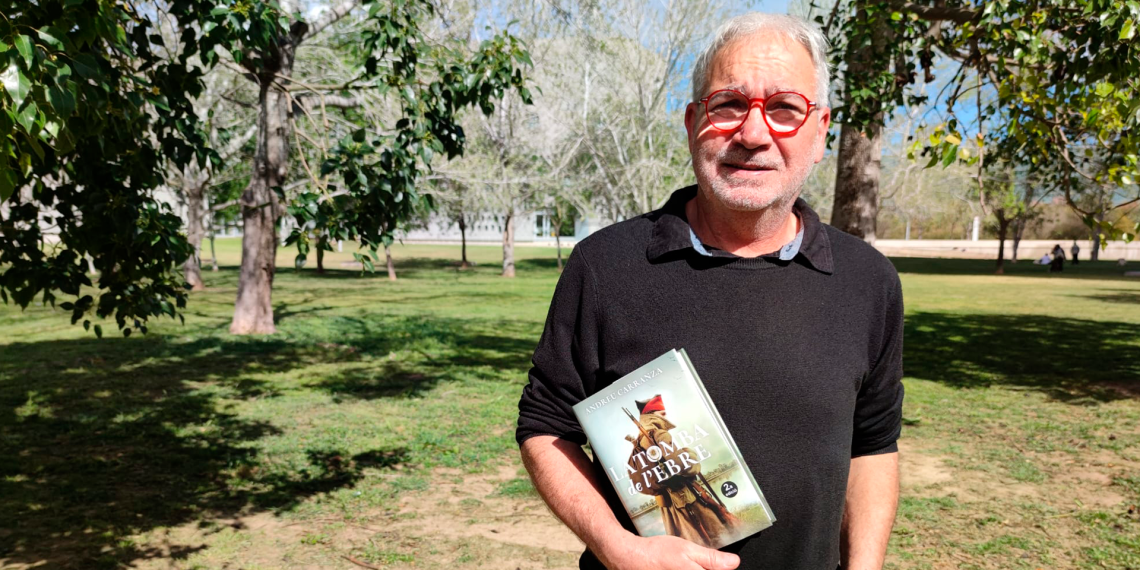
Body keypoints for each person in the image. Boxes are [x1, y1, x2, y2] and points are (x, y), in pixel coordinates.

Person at [517, 12, 903, 570]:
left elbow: (872, 445)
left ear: (822, 132)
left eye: (784, 109)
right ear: (693, 120)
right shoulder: (604, 266)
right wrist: (617, 546)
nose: (752, 133)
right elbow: (544, 428)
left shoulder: (869, 281)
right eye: (728, 105)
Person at [625, 395, 738, 545]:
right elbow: (685, 465)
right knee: (720, 540)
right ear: (651, 415)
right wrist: (690, 453)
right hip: (689, 499)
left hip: (669, 508)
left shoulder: (638, 443)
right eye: (663, 414)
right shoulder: (658, 434)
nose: (666, 417)